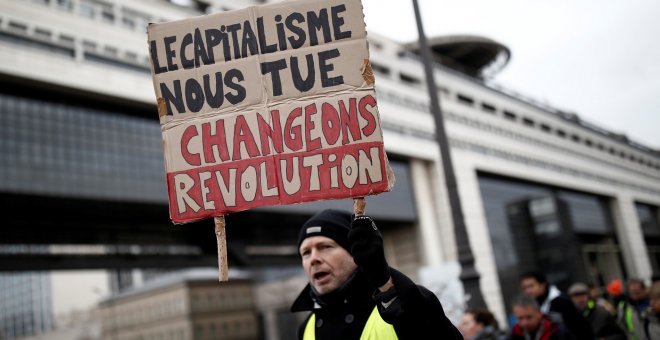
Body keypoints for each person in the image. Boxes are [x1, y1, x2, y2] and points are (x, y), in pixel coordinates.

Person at [290, 209, 462, 339]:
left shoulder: (400, 304)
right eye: (306, 252)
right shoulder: (306, 328)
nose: (313, 259)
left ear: (355, 253)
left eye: (325, 247)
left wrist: (384, 281)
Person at [519, 270, 594, 339]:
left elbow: (579, 329)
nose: (528, 291)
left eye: (531, 286)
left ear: (542, 285)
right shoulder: (531, 306)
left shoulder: (561, 303)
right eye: (524, 288)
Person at [508, 294, 574, 340]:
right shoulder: (514, 335)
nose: (525, 322)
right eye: (520, 318)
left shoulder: (558, 331)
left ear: (539, 314)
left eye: (529, 317)